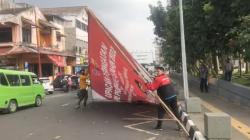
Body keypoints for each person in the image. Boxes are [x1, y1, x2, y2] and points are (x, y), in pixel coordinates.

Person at [145, 66, 180, 130]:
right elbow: (162, 80)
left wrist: (147, 84)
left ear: (162, 71)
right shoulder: (166, 77)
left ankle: (159, 127)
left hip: (166, 97)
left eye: (158, 71)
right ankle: (180, 127)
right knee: (175, 111)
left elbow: (152, 88)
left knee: (161, 111)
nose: (157, 72)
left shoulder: (158, 79)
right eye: (156, 71)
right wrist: (154, 78)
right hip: (173, 96)